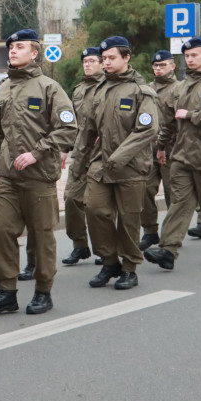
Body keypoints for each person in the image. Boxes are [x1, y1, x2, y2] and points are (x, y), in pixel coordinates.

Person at [0, 29, 77, 316]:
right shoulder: (3, 87)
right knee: (0, 230)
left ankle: (43, 291)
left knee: (42, 234)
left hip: (39, 178)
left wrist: (36, 152)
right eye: (11, 46)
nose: (12, 50)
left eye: (20, 46)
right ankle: (6, 292)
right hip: (8, 176)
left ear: (34, 53)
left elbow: (68, 129)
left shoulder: (49, 88)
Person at [71, 37, 157, 291]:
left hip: (131, 167)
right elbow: (87, 130)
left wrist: (119, 157)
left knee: (129, 220)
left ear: (126, 57)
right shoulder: (99, 90)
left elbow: (147, 129)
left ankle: (129, 267)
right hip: (100, 164)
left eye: (111, 58)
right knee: (95, 210)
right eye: (104, 58)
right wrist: (78, 162)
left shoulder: (141, 91)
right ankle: (109, 261)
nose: (106, 62)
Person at [144, 37, 201, 270]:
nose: (190, 59)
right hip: (182, 156)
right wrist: (161, 146)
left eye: (194, 55)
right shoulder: (180, 88)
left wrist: (192, 115)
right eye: (187, 56)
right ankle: (168, 250)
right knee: (179, 204)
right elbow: (171, 123)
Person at [61, 46, 104, 266]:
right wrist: (65, 149)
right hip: (80, 154)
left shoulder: (109, 87)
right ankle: (80, 245)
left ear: (102, 62)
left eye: (91, 61)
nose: (87, 65)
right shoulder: (78, 90)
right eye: (84, 61)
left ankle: (105, 249)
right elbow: (73, 124)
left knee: (98, 206)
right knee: (71, 199)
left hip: (102, 156)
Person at [140, 50, 177, 251]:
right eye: (155, 66)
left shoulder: (179, 89)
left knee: (174, 194)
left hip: (173, 149)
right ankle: (150, 232)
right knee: (145, 190)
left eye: (162, 65)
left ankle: (170, 235)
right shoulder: (147, 89)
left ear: (172, 66)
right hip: (150, 149)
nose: (158, 69)